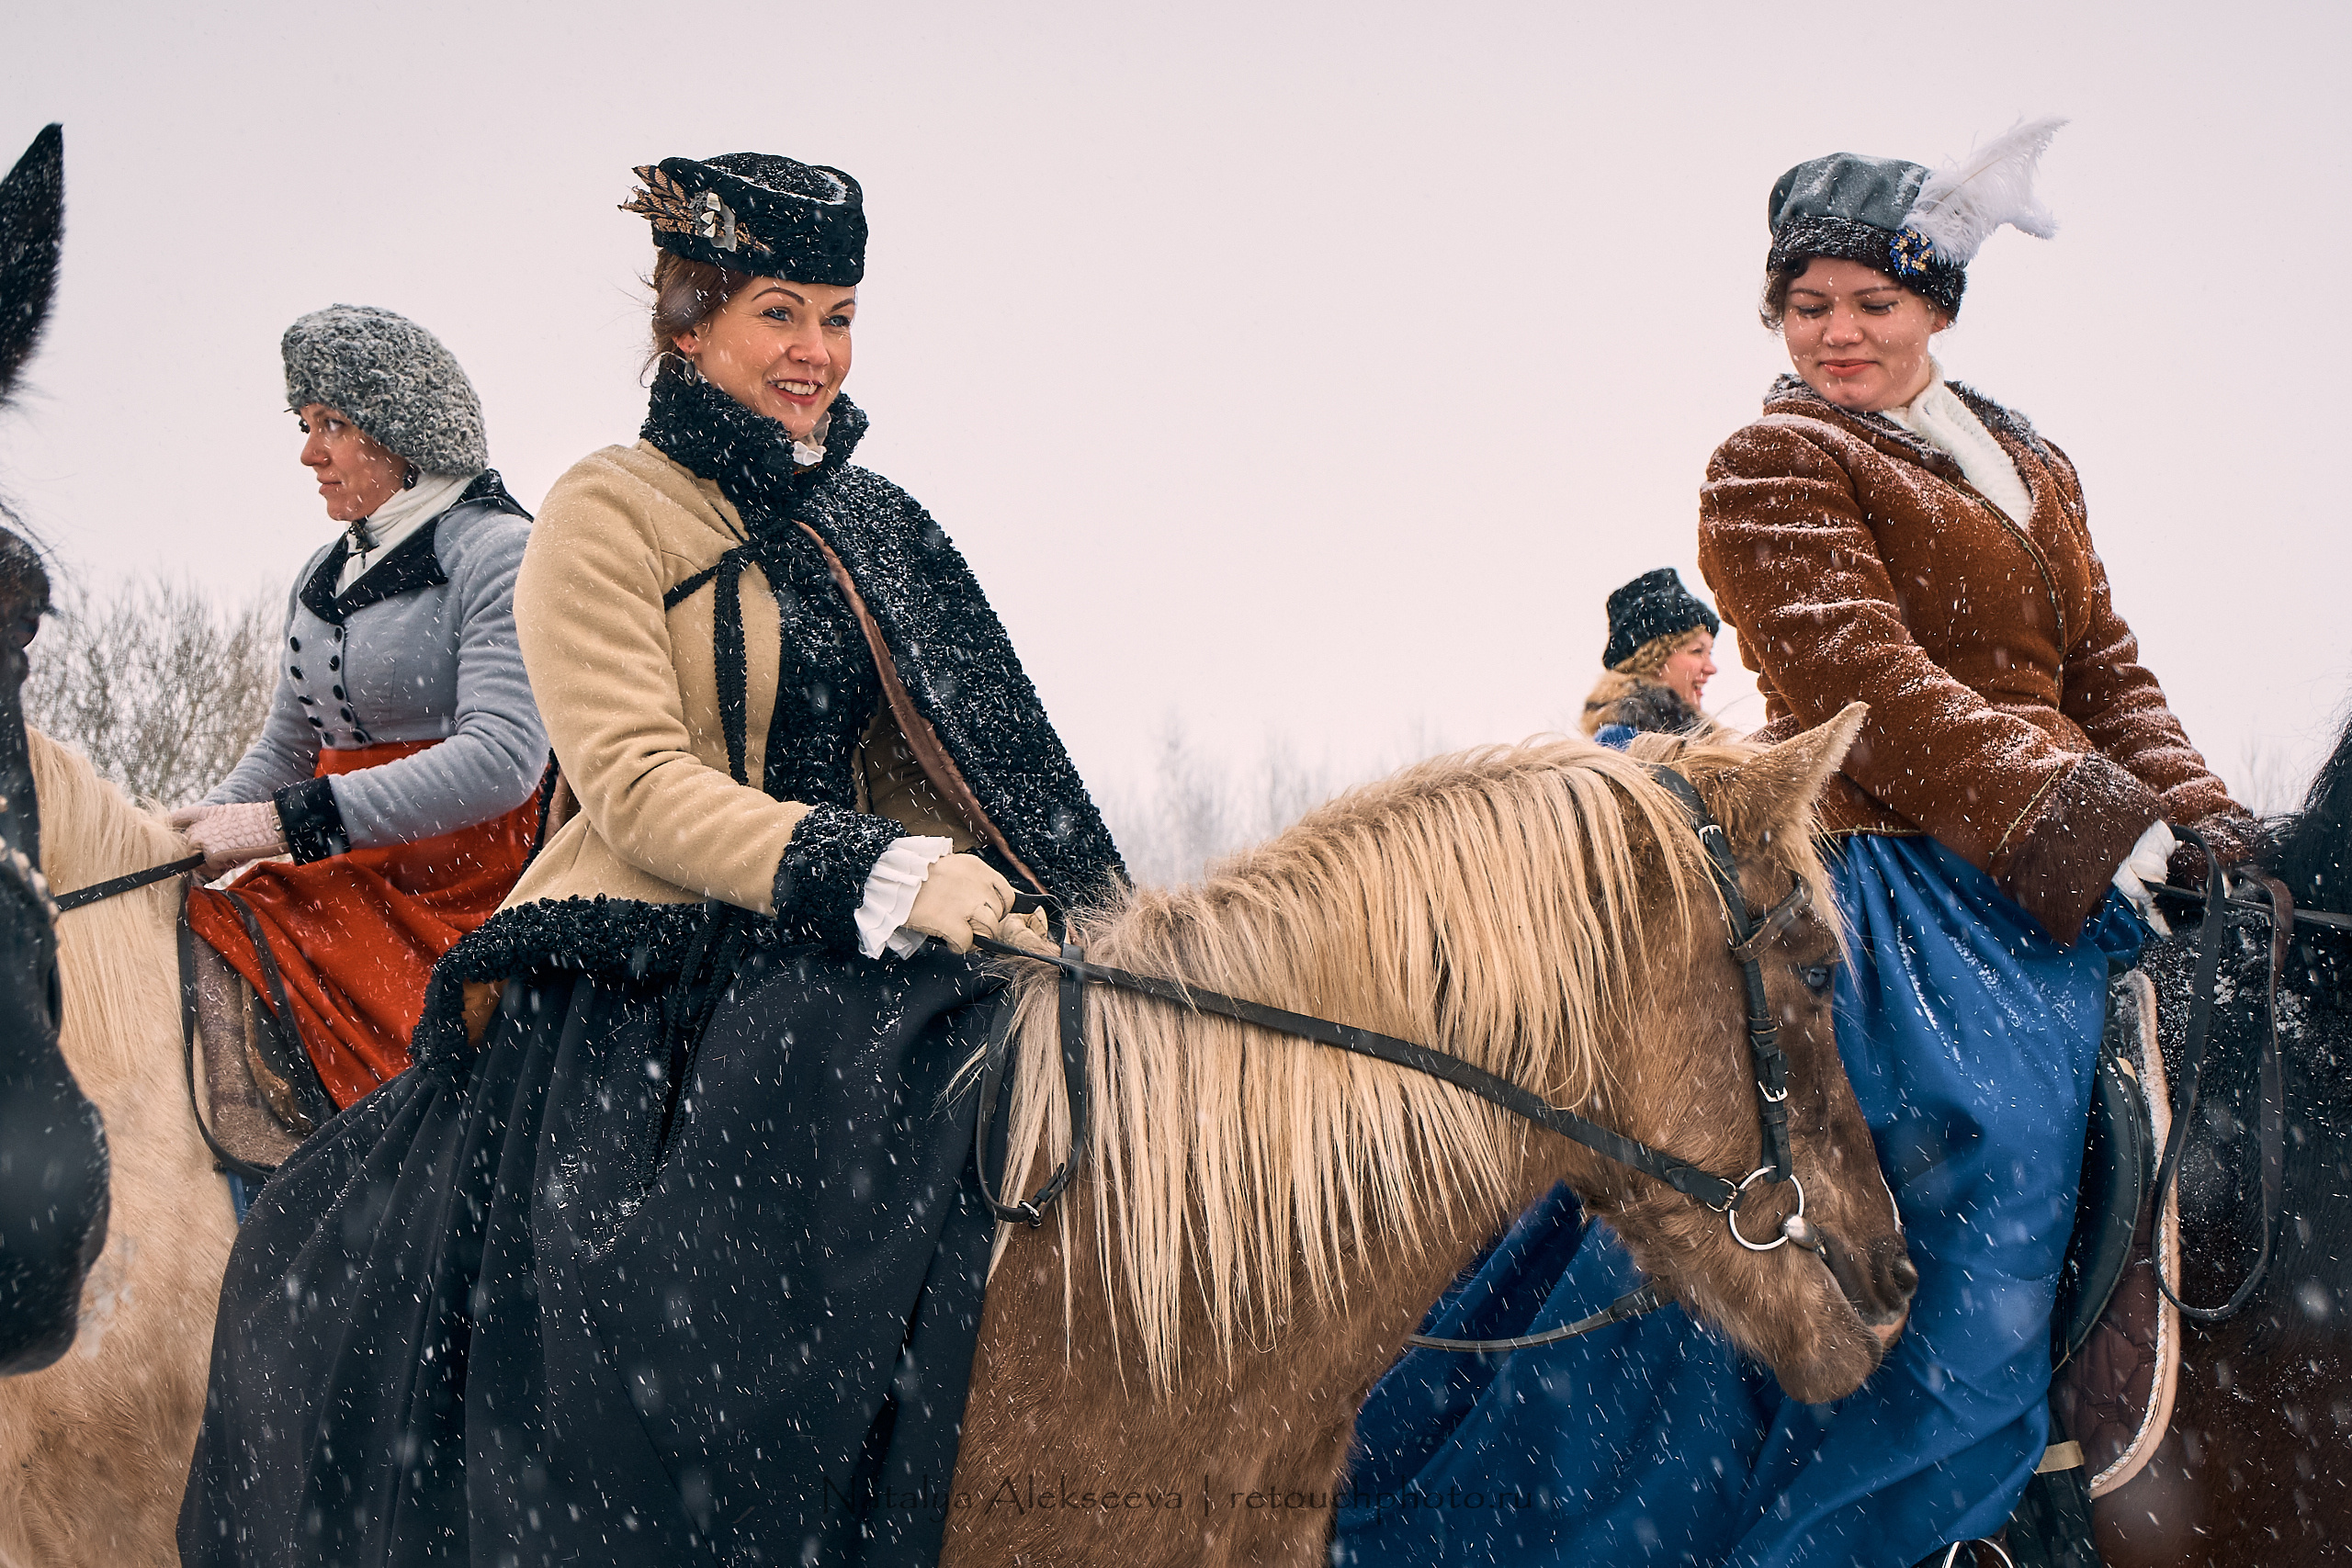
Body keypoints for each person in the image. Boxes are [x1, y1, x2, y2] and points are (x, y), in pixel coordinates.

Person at [180, 152, 1124, 1568]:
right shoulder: (603, 510)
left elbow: (966, 761)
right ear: (688, 326)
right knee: (656, 1332)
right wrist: (870, 870)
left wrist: (1045, 902)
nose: (817, 353)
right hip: (648, 960)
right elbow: (631, 779)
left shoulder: (873, 523)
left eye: (840, 318)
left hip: (855, 943)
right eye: (779, 313)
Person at [1336, 120, 2252, 1568]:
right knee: (1988, 1154)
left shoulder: (2029, 461)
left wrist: (2201, 815)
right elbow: (1865, 684)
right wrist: (2089, 820)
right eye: (1807, 305)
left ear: (1936, 307)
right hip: (1907, 879)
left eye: (1873, 303)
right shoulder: (1771, 462)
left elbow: (2105, 669)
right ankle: (1902, 1522)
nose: (1838, 333)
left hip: (2060, 871)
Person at [168, 306, 547, 1127]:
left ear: (404, 430)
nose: (310, 453)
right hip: (342, 867)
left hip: (457, 890)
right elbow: (286, 751)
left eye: (332, 425)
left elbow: (503, 758)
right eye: (305, 425)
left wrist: (284, 824)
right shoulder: (322, 570)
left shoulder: (500, 551)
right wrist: (187, 833)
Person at [1580, 566, 1723, 744]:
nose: (1711, 668)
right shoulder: (1622, 743)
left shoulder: (1697, 738)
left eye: (1710, 653)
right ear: (1651, 659)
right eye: (1697, 651)